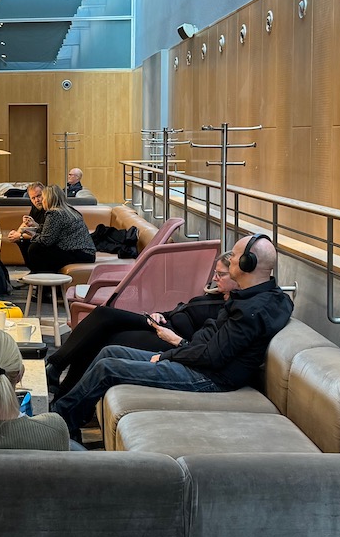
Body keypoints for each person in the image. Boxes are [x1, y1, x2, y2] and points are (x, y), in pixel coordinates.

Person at [51, 234, 294, 440]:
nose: (230, 260)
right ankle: (71, 421)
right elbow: (209, 344)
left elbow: (213, 357)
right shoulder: (264, 298)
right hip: (197, 358)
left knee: (108, 367)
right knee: (109, 351)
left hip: (208, 377)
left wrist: (168, 355)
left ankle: (56, 425)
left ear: (247, 263)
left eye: (235, 256)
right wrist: (179, 350)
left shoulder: (251, 310)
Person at [46, 252, 236, 397]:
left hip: (170, 338)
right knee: (103, 314)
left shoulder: (229, 310)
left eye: (221, 274)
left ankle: (63, 390)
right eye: (215, 273)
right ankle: (56, 368)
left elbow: (201, 345)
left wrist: (176, 339)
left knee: (103, 339)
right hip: (162, 323)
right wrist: (161, 314)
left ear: (237, 276)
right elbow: (182, 310)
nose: (214, 278)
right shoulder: (216, 295)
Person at [22, 184, 95, 275]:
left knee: (35, 248)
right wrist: (35, 230)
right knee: (37, 248)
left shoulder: (54, 213)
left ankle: (45, 283)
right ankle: (41, 278)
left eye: (42, 197)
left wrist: (32, 235)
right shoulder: (69, 209)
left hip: (79, 254)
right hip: (86, 253)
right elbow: (50, 231)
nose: (41, 201)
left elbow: (46, 241)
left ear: (49, 199)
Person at [5, 182, 46, 249]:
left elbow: (45, 235)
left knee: (29, 245)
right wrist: (16, 233)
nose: (37, 200)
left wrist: (20, 236)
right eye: (33, 198)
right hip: (38, 237)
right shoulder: (35, 207)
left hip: (47, 242)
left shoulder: (50, 209)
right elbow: (27, 223)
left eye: (39, 196)